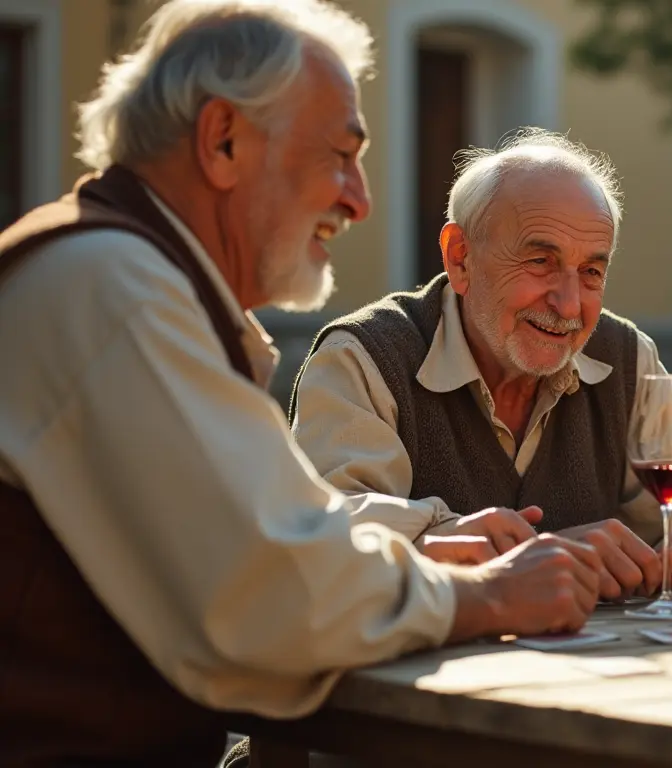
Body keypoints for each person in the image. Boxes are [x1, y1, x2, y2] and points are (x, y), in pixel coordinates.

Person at [0, 2, 603, 765]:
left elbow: (272, 531)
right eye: (339, 155)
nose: (359, 199)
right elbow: (267, 597)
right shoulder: (114, 287)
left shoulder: (127, 276)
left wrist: (426, 549)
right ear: (222, 142)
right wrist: (487, 597)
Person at [288, 129, 672, 604]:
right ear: (460, 258)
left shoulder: (625, 358)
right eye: (540, 261)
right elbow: (326, 532)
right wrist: (501, 550)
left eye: (591, 273)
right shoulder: (365, 357)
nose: (568, 305)